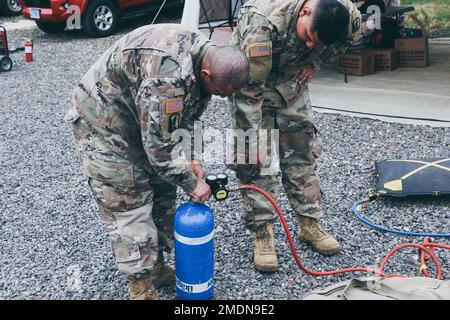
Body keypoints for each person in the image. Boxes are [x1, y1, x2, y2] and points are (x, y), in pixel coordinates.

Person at [64, 23, 250, 299]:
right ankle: (141, 286)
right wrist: (191, 182)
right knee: (130, 202)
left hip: (144, 119)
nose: (221, 97)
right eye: (220, 91)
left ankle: (156, 267)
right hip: (105, 125)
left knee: (164, 190)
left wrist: (193, 158)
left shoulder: (203, 57)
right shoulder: (169, 78)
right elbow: (160, 149)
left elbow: (188, 117)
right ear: (205, 74)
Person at [229, 0, 362, 272]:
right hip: (252, 84)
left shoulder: (345, 14)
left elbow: (350, 38)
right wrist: (251, 141)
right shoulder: (262, 23)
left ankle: (309, 223)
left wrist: (316, 61)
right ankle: (263, 232)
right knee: (256, 160)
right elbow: (249, 94)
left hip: (292, 83)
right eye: (310, 38)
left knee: (302, 151)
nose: (311, 44)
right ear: (304, 12)